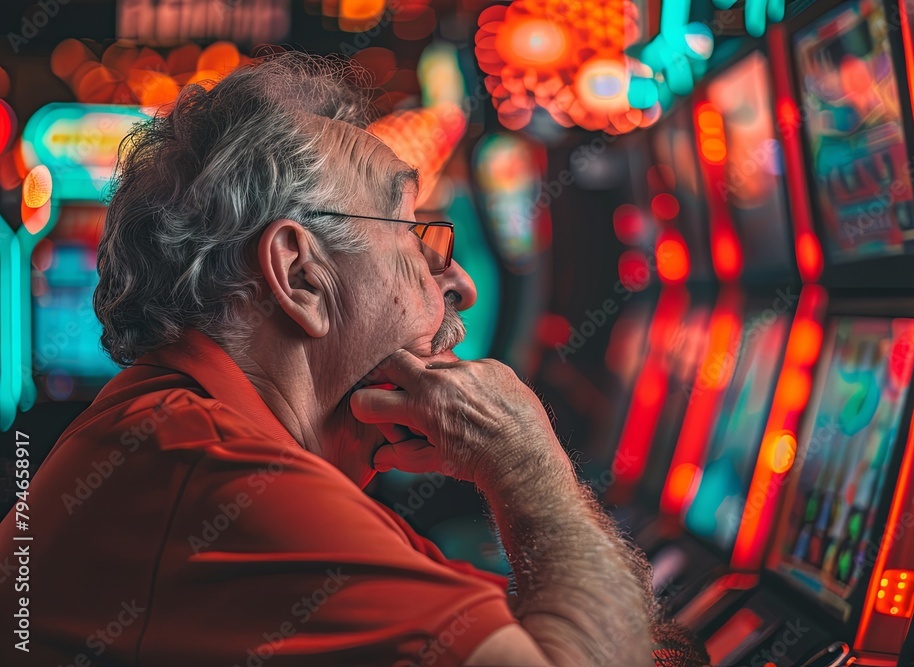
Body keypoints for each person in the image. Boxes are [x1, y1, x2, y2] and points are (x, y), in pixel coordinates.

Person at [0, 53, 707, 667]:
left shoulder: (218, 445)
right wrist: (528, 465)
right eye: (415, 237)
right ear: (300, 275)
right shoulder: (206, 470)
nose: (457, 282)